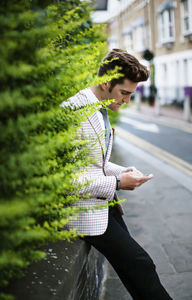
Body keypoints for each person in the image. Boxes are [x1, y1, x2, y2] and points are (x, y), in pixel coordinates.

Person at [61, 49, 173, 300]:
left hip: (103, 204)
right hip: (83, 211)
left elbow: (93, 162)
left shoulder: (98, 108)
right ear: (105, 82)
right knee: (141, 263)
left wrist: (123, 171)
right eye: (124, 93)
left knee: (134, 268)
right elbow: (65, 180)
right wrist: (120, 181)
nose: (127, 101)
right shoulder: (73, 111)